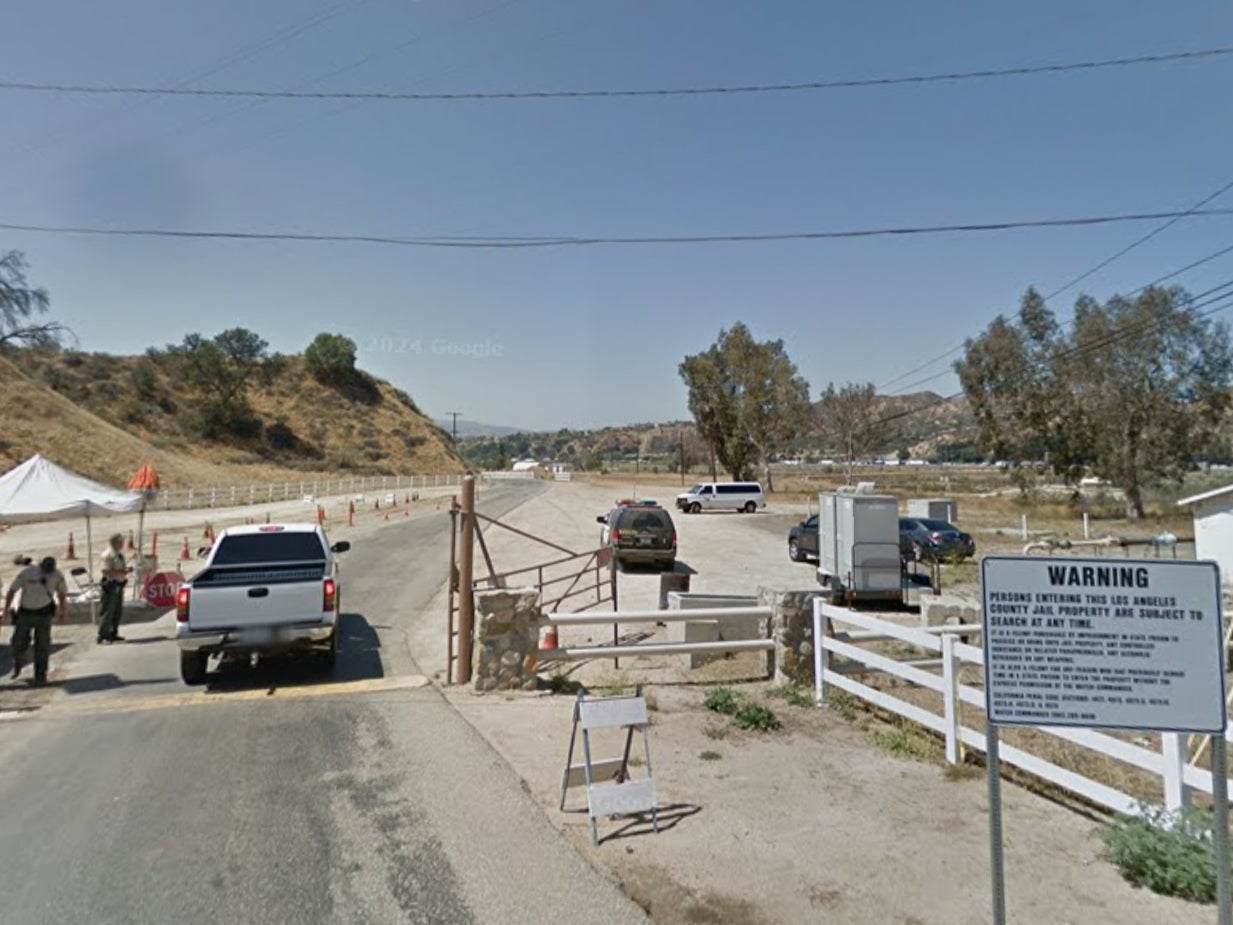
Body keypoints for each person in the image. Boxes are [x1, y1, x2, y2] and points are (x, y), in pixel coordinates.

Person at [5, 556, 68, 686]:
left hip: (44, 614)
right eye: (45, 570)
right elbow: (12, 590)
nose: (47, 573)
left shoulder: (57, 575)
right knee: (18, 641)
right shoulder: (28, 573)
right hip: (25, 612)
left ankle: (40, 675)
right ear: (41, 566)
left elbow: (62, 594)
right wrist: (6, 610)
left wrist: (63, 612)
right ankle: (18, 662)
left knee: (43, 645)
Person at [98, 532, 130, 644]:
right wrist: (120, 572)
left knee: (117, 611)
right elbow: (105, 571)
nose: (122, 544)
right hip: (111, 585)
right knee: (108, 611)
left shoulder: (119, 554)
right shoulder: (108, 555)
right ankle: (103, 635)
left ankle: (113, 633)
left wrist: (125, 571)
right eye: (120, 541)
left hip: (119, 584)